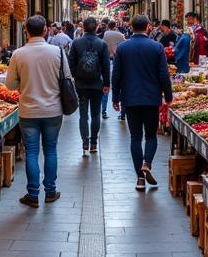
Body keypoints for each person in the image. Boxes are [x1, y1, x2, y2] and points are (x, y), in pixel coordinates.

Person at [6, 14, 69, 208]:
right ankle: (50, 191)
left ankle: (33, 194)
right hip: (53, 110)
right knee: (50, 150)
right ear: (45, 30)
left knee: (32, 152)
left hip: (28, 111)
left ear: (26, 31)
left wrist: (23, 83)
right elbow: (67, 78)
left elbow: (9, 85)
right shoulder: (57, 52)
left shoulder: (18, 54)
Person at [111, 13, 173, 191]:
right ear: (148, 27)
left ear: (130, 27)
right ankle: (147, 163)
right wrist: (168, 96)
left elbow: (116, 75)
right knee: (151, 135)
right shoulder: (156, 47)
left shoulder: (122, 48)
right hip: (151, 98)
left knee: (135, 137)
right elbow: (163, 75)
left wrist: (115, 98)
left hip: (130, 99)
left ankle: (139, 178)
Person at [69, 16, 110, 155]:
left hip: (81, 85)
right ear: (97, 27)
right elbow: (105, 66)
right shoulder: (102, 44)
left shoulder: (76, 43)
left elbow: (71, 64)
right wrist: (107, 83)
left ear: (83, 27)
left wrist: (75, 77)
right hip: (97, 84)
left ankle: (84, 142)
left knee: (83, 115)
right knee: (95, 114)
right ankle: (93, 143)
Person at [103, 19, 127, 120]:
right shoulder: (120, 35)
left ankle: (103, 111)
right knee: (121, 86)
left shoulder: (106, 34)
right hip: (118, 61)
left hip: (107, 61)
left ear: (108, 26)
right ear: (115, 25)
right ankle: (122, 113)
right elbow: (125, 46)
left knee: (106, 85)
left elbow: (104, 45)